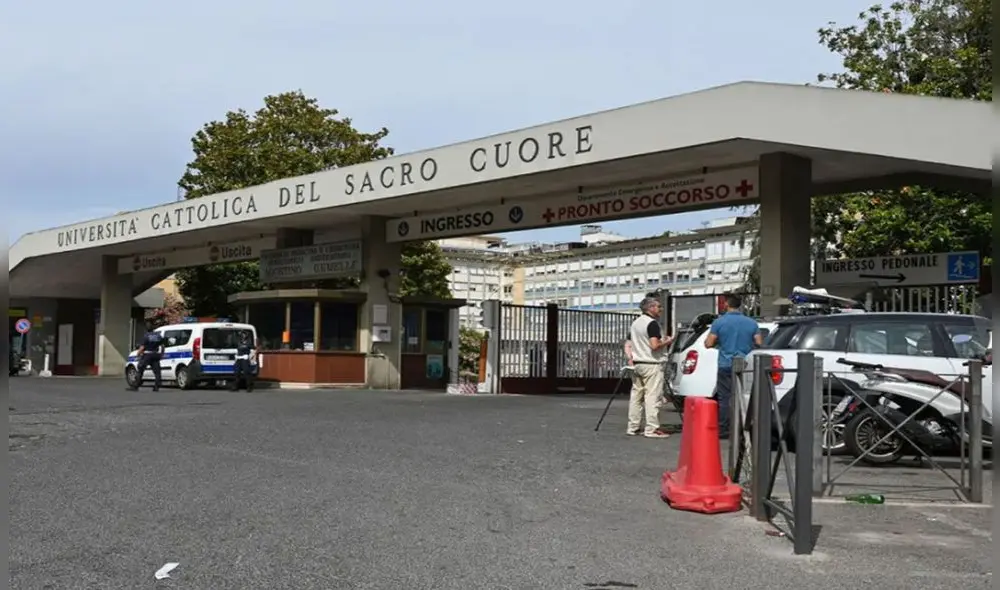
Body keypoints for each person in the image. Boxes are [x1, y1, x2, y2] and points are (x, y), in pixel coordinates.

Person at [704, 294, 762, 436]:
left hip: (726, 363)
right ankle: (743, 426)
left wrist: (720, 344)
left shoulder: (719, 322)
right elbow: (759, 343)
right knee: (742, 395)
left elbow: (708, 343)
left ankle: (724, 428)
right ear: (740, 306)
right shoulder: (752, 323)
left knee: (725, 397)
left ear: (726, 305)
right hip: (744, 364)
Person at [623, 296, 674, 438]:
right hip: (652, 363)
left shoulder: (636, 323)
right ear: (651, 308)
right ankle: (651, 428)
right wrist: (667, 341)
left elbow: (630, 342)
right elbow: (654, 345)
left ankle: (633, 427)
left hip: (638, 363)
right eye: (658, 306)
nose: (660, 309)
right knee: (652, 397)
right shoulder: (652, 324)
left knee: (636, 396)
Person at [130, 319, 165, 392]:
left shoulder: (146, 336)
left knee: (140, 370)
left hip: (147, 355)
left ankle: (136, 386)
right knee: (157, 372)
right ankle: (156, 387)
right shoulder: (158, 336)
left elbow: (142, 347)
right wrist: (162, 354)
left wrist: (138, 354)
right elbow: (162, 346)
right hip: (155, 354)